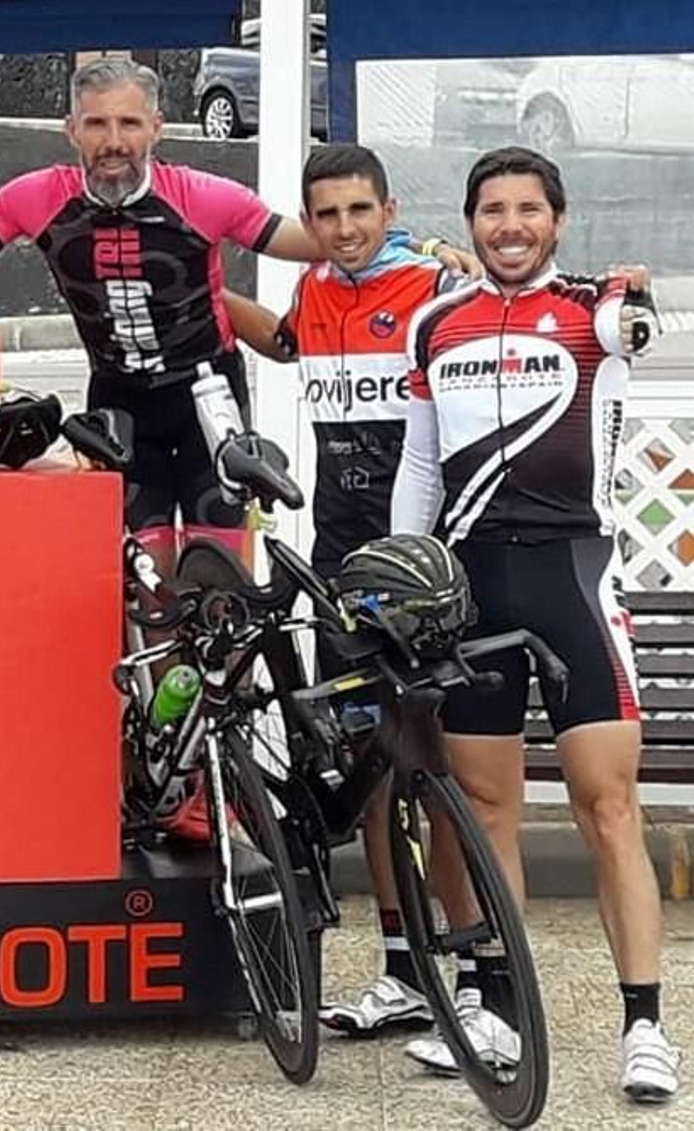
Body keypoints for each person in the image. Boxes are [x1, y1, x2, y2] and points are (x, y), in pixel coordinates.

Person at [0, 57, 467, 571]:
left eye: (129, 124)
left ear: (156, 127)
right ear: (71, 130)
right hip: (119, 405)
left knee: (221, 579)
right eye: (97, 124)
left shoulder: (205, 196)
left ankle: (230, 698)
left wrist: (430, 247)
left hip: (208, 400)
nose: (114, 142)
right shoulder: (35, 198)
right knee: (143, 577)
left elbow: (329, 238)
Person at [391, 146, 678, 1102]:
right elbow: (422, 468)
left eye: (528, 209)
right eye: (492, 209)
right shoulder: (436, 323)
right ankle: (499, 1006)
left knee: (608, 807)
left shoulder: (596, 309)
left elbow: (638, 328)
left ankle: (645, 1024)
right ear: (470, 221)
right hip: (472, 581)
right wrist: (403, 569)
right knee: (485, 811)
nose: (509, 226)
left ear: (557, 219)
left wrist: (634, 295)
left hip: (573, 576)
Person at [250, 144, 460, 1037]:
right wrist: (195, 287)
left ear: (390, 210)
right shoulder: (313, 291)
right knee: (372, 764)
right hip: (340, 559)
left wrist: (445, 253)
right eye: (327, 215)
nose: (344, 229)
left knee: (440, 766)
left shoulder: (434, 287)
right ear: (310, 223)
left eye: (360, 211)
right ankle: (402, 966)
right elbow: (283, 342)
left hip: (422, 560)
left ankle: (476, 964)